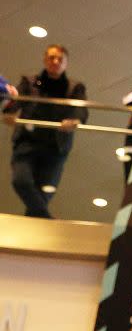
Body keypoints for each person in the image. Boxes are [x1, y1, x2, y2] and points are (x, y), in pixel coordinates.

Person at [1, 45, 88, 218]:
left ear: (66, 63)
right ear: (45, 60)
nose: (55, 62)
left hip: (56, 147)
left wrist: (75, 120)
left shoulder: (75, 87)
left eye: (59, 59)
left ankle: (35, 227)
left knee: (44, 193)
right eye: (51, 58)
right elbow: (17, 100)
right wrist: (10, 112)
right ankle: (46, 220)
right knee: (21, 181)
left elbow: (81, 109)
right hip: (27, 142)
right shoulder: (29, 81)